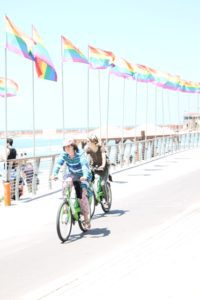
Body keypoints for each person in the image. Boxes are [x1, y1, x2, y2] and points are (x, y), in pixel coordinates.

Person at [52, 138, 92, 229]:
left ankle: (86, 218)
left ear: (73, 146)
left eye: (69, 146)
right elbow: (58, 164)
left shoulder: (80, 153)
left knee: (80, 194)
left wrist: (85, 175)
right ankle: (66, 207)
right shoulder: (64, 154)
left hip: (82, 175)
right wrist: (54, 174)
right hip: (72, 174)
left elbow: (84, 165)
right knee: (65, 185)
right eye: (65, 147)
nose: (67, 148)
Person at [85, 135, 111, 200]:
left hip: (104, 167)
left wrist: (102, 165)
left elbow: (103, 157)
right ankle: (93, 197)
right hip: (94, 166)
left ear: (93, 142)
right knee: (88, 182)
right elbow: (84, 158)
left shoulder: (101, 148)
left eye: (88, 141)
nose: (86, 142)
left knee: (102, 184)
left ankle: (107, 199)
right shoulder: (88, 149)